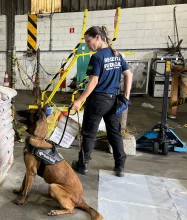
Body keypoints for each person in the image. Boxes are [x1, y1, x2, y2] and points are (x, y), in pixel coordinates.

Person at [70, 26, 133, 177]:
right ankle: (120, 166)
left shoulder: (97, 57)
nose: (87, 45)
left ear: (98, 37)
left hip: (98, 100)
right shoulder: (116, 54)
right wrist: (126, 97)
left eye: (88, 41)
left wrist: (79, 100)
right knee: (114, 134)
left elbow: (93, 82)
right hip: (114, 101)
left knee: (89, 133)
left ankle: (83, 165)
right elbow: (129, 74)